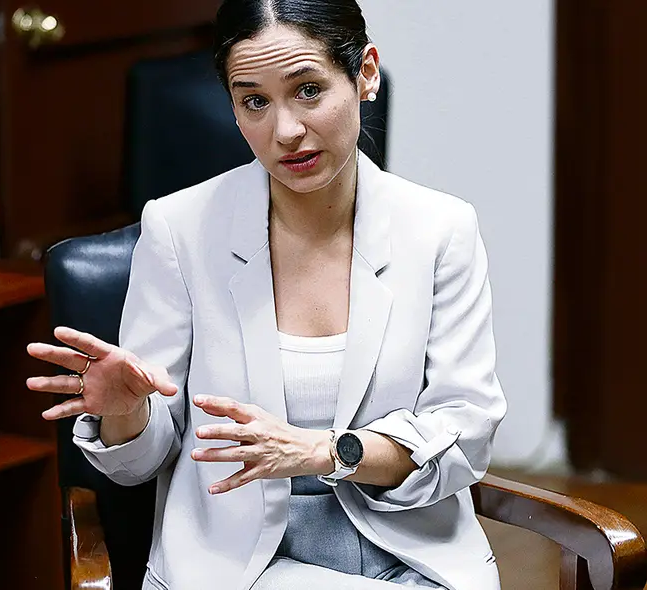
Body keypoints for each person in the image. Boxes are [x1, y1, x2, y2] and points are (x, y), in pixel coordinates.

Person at [25, 1, 507, 589]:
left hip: (408, 552)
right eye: (254, 101)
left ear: (366, 73)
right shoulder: (180, 230)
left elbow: (464, 428)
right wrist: (125, 411)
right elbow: (137, 466)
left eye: (308, 90)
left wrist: (327, 452)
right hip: (236, 565)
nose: (284, 132)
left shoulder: (441, 230)